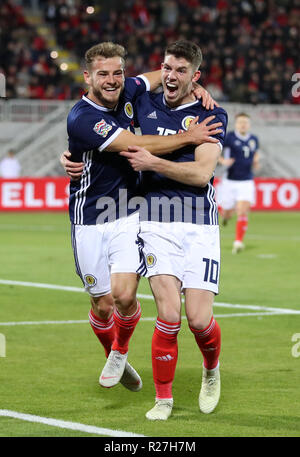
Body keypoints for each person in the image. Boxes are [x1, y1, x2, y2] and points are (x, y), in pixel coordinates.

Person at [65, 41, 221, 393]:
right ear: (87, 77)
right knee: (102, 304)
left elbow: (156, 77)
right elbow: (139, 146)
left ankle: (120, 349)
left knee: (124, 294)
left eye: (117, 72)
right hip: (89, 216)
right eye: (102, 74)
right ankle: (114, 355)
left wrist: (194, 85)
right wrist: (188, 136)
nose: (112, 80)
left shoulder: (130, 89)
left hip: (129, 211)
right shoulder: (83, 117)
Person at [120, 40, 227, 420]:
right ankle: (163, 399)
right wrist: (73, 154)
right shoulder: (141, 101)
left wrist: (152, 159)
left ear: (196, 76)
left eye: (182, 71)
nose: (171, 76)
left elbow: (201, 175)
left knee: (198, 319)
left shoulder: (211, 114)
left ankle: (211, 370)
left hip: (199, 223)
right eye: (167, 68)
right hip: (154, 220)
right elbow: (100, 99)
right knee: (168, 315)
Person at [217, 113, 260, 254]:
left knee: (242, 210)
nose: (243, 124)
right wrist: (222, 161)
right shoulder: (229, 137)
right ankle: (226, 217)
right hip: (230, 181)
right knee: (227, 213)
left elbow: (255, 153)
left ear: (249, 124)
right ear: (236, 124)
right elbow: (216, 150)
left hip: (246, 181)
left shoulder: (254, 139)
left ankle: (238, 242)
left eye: (245, 122)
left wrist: (256, 161)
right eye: (240, 122)